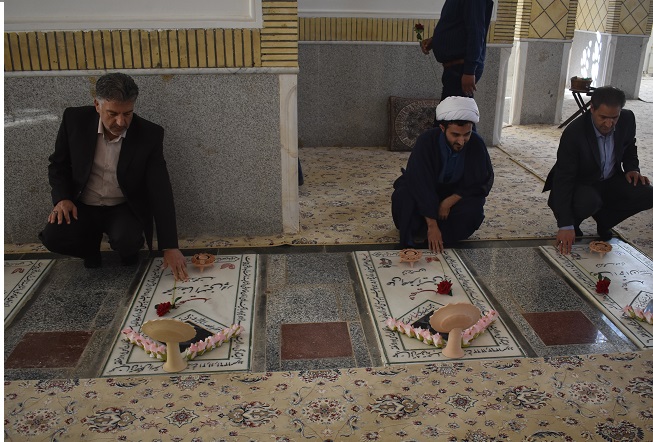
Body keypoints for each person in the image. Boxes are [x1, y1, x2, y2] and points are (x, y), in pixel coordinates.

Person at [39, 72, 188, 280]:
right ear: (97, 105)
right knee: (53, 237)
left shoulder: (149, 134)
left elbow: (160, 190)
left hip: (122, 207)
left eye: (127, 113)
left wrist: (170, 246)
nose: (121, 121)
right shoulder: (74, 120)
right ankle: (90, 250)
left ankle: (127, 250)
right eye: (112, 113)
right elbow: (58, 164)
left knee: (128, 240)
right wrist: (62, 198)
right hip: (82, 205)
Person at [543, 86, 653, 255]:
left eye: (614, 118)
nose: (609, 124)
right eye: (603, 117)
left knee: (648, 193)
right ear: (592, 109)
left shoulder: (627, 119)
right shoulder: (574, 132)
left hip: (610, 178)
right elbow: (564, 178)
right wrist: (565, 225)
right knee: (589, 201)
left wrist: (632, 168)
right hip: (581, 183)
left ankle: (605, 220)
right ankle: (574, 223)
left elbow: (629, 145)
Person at [391, 96, 494, 253]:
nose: (461, 141)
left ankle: (437, 232)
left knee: (472, 210)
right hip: (425, 191)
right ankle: (427, 227)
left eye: (466, 134)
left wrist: (449, 202)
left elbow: (480, 180)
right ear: (442, 128)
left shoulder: (476, 143)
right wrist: (432, 224)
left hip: (456, 194)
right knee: (404, 197)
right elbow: (420, 182)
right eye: (455, 135)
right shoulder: (426, 141)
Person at [420, 0, 494, 100]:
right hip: (456, 68)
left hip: (461, 68)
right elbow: (456, 25)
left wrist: (469, 71)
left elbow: (476, 33)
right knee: (449, 108)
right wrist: (435, 40)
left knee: (456, 109)